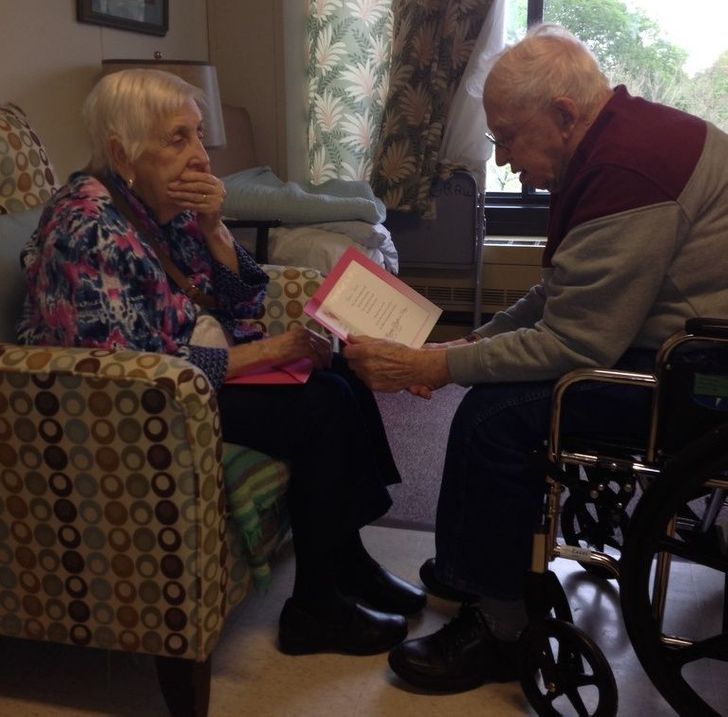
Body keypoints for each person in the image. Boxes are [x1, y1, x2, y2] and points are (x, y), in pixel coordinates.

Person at [343, 23, 728, 692]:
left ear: (561, 116)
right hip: (679, 347)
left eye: (508, 138)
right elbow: (561, 291)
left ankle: (500, 628)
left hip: (703, 378)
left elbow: (578, 343)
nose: (504, 158)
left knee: (495, 418)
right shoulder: (619, 144)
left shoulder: (629, 171)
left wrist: (434, 367)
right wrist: (469, 343)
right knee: (490, 389)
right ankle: (477, 569)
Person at [16, 68, 427, 657]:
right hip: (147, 400)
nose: (200, 156)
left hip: (192, 367)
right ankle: (314, 608)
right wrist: (270, 351)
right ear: (120, 153)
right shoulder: (85, 230)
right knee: (321, 407)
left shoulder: (167, 205)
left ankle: (346, 559)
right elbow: (133, 366)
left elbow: (245, 298)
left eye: (199, 135)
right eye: (176, 139)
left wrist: (213, 229)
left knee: (340, 374)